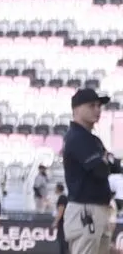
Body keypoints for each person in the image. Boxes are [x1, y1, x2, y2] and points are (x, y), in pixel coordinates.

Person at [61, 88, 118, 254]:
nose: (98, 110)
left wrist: (107, 161)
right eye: (92, 105)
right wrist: (106, 160)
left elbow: (114, 166)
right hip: (85, 209)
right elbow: (100, 169)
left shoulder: (91, 138)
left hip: (96, 208)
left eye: (99, 106)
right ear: (77, 109)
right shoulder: (77, 137)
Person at [53, 182, 68, 254]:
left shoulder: (62, 198)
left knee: (62, 242)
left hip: (62, 223)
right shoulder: (64, 197)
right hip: (64, 223)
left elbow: (60, 211)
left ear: (58, 189)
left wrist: (55, 222)